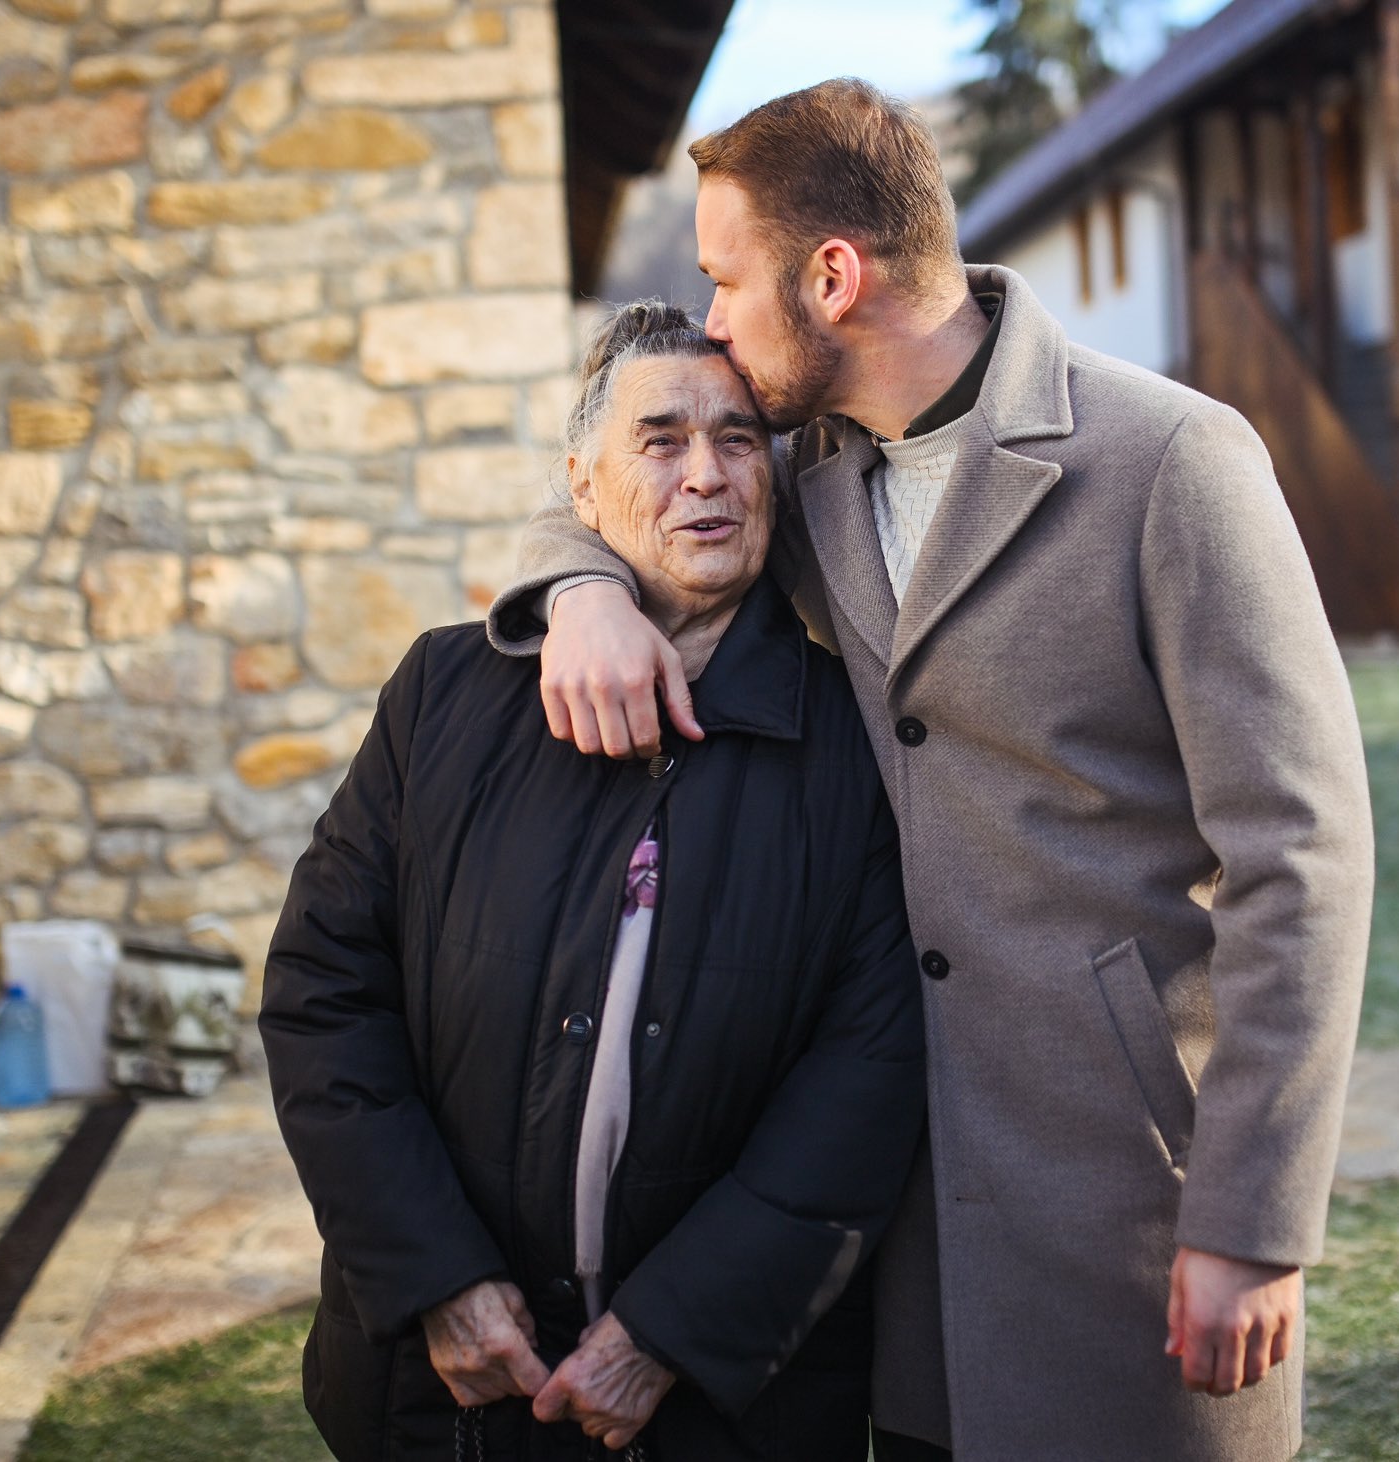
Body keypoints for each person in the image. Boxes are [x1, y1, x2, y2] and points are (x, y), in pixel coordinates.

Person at [490, 81, 1375, 1462]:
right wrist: (582, 591)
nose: (714, 319)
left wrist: (1252, 1219)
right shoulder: (812, 472)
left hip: (1130, 1206)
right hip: (897, 1226)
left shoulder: (1172, 462)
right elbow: (599, 486)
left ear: (832, 276)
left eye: (727, 279)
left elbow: (1302, 857)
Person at [261, 302, 926, 1461]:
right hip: (446, 1392)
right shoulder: (442, 697)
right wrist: (433, 1276)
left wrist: (670, 1330)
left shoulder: (852, 744)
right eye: (660, 441)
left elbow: (866, 1076)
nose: (708, 475)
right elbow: (323, 990)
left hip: (724, 1403)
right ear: (581, 486)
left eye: (736, 440)